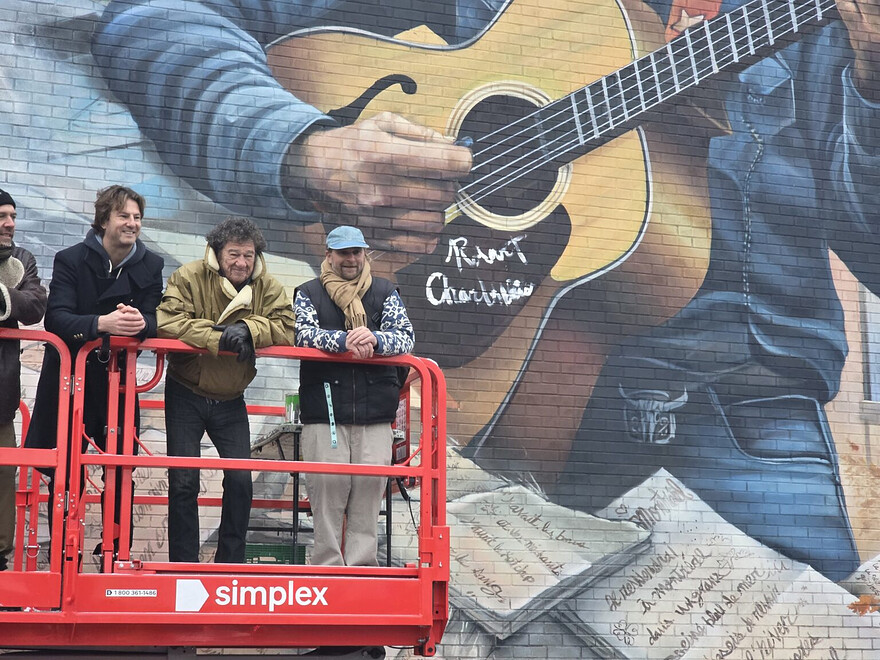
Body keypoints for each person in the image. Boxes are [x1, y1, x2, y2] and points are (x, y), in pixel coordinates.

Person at [91, 0, 880, 582]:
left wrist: (875, 84)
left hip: (739, 424)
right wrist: (308, 152)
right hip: (451, 413)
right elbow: (156, 20)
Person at [25, 185, 164, 559]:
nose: (132, 224)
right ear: (105, 219)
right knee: (64, 471)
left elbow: (156, 317)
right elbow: (56, 318)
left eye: (137, 217)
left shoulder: (151, 265)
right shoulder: (70, 258)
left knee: (121, 471)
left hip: (117, 384)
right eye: (124, 216)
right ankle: (62, 558)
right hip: (69, 381)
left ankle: (115, 556)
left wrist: (141, 323)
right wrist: (103, 322)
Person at [157, 216, 296, 563]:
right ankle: (183, 564)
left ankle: (229, 563)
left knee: (240, 482)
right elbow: (167, 321)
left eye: (248, 255)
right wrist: (219, 337)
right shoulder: (188, 276)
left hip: (232, 398)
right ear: (216, 254)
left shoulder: (268, 286)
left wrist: (249, 329)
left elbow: (288, 325)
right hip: (185, 392)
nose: (241, 263)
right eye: (233, 254)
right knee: (183, 482)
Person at [294, 225, 414, 568]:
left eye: (356, 252)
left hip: (375, 414)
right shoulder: (308, 292)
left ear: (365, 254)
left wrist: (374, 339)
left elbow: (404, 337)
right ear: (328, 255)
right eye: (343, 252)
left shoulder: (386, 291)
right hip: (325, 412)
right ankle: (327, 569)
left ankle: (362, 570)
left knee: (367, 495)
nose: (351, 259)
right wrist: (343, 341)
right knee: (327, 494)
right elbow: (302, 335)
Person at [0, 189, 48, 572]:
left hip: (1, 398)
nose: (10, 223)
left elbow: (34, 306)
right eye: (2, 216)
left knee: (3, 477)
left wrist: (3, 295)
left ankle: (0, 563)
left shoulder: (21, 259)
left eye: (12, 215)